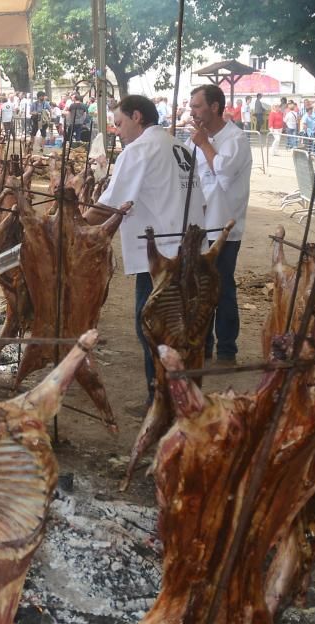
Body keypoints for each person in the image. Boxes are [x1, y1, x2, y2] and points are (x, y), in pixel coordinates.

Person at [84, 95, 204, 409]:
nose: (117, 131)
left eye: (120, 123)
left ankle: (160, 401)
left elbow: (111, 202)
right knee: (180, 330)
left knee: (151, 329)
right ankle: (176, 398)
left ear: (137, 116)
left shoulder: (140, 150)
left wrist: (75, 227)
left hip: (161, 256)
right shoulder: (179, 146)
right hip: (188, 249)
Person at [186, 83, 252, 365]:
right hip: (199, 225)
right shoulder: (195, 140)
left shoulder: (235, 139)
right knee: (200, 287)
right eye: (191, 107)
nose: (193, 112)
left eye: (197, 106)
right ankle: (203, 345)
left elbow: (222, 171)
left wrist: (204, 143)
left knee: (222, 286)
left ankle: (227, 348)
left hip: (224, 227)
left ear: (214, 107)